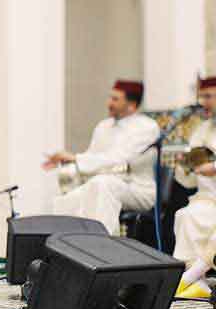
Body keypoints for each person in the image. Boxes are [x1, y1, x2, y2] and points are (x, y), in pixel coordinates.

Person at [44, 80, 157, 235]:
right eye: (110, 98)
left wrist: (75, 158)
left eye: (115, 99)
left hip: (137, 188)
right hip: (103, 182)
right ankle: (70, 246)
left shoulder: (147, 127)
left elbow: (119, 158)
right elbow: (92, 157)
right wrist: (72, 162)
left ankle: (102, 246)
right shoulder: (103, 127)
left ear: (132, 104)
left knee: (103, 184)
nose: (109, 103)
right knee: (67, 197)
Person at [173, 77, 216, 299]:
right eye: (202, 96)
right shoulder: (201, 129)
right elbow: (189, 182)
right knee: (185, 216)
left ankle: (188, 279)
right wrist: (184, 166)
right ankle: (198, 282)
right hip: (205, 199)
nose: (204, 102)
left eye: (209, 96)